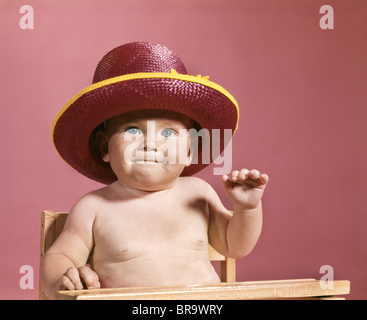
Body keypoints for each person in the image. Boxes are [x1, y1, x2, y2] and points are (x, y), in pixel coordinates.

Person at [40, 42, 268, 299]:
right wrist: (62, 279)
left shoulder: (198, 194)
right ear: (105, 146)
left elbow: (234, 245)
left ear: (190, 150)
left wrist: (247, 209)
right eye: (133, 130)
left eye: (168, 132)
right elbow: (60, 256)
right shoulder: (94, 207)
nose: (150, 143)